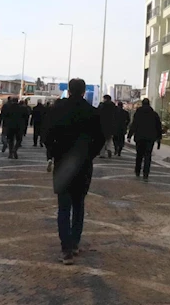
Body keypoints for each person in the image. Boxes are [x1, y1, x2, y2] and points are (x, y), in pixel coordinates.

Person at [44, 78, 104, 265]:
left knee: (63, 207)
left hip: (63, 163)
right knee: (79, 205)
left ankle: (66, 248)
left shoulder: (58, 110)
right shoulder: (92, 112)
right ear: (84, 91)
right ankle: (75, 242)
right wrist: (89, 155)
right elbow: (100, 139)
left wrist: (53, 152)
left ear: (69, 90)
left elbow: (46, 135)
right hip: (83, 164)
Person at [127, 98, 162, 181]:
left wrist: (129, 135)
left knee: (139, 155)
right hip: (150, 138)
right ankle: (146, 173)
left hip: (139, 137)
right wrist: (159, 138)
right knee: (148, 155)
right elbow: (158, 127)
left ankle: (137, 170)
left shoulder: (138, 113)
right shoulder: (154, 114)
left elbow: (134, 125)